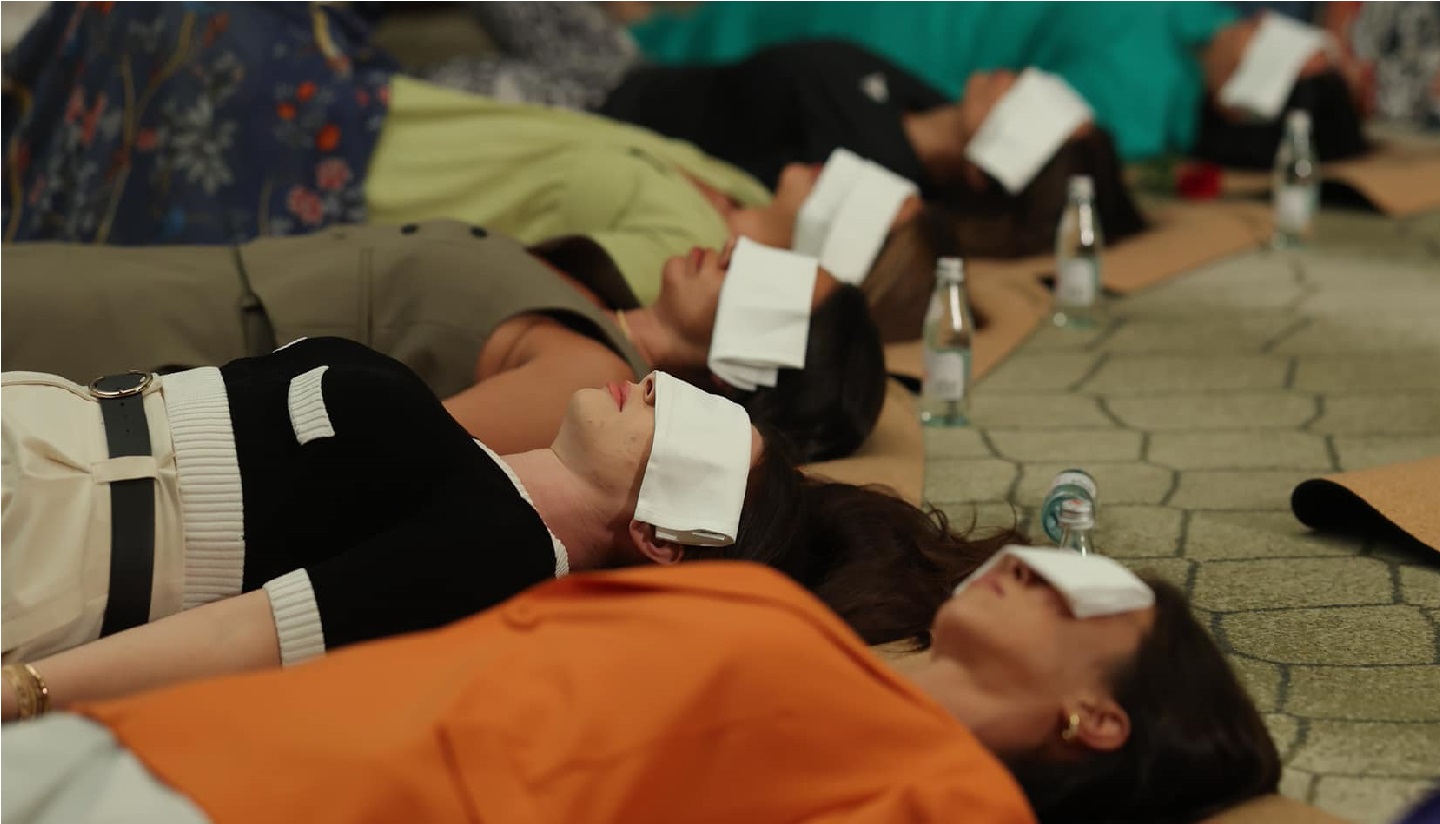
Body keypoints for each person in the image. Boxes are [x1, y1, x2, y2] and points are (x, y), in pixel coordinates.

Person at [0, 554, 1281, 824]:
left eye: (1091, 596)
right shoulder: (836, 647)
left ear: (1097, 716)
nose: (1038, 565)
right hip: (225, 739)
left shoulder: (956, 800)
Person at [1, 1, 947, 321]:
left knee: (170, 22)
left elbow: (536, 294)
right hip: (383, 106)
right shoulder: (738, 188)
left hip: (340, 177)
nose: (856, 174)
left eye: (878, 203)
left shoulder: (687, 251)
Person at [0, 222, 887, 461]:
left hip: (155, 349)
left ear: (754, 368)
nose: (737, 250)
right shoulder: (597, 303)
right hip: (157, 285)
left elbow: (363, 455)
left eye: (767, 286)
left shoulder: (586, 376)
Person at [625, 2, 1370, 165]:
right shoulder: (1203, 20)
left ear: (1247, 101)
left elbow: (994, 131)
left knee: (736, 48)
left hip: (911, 38)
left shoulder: (1135, 109)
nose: (1265, 24)